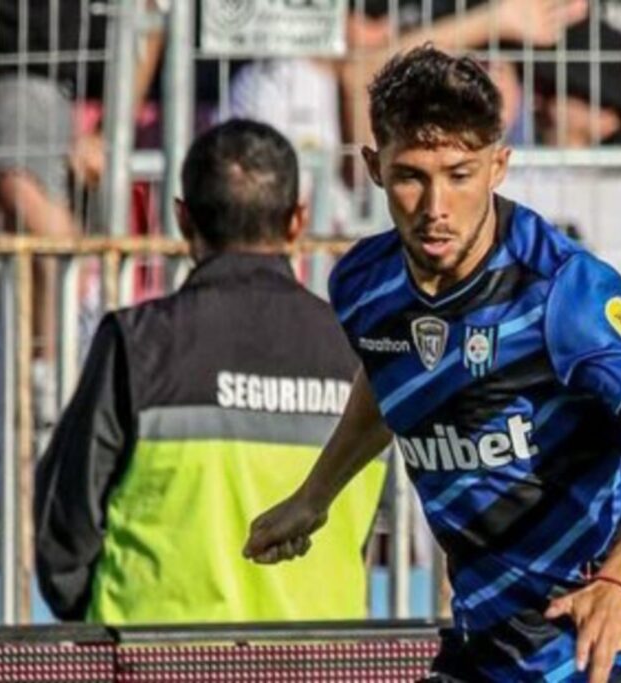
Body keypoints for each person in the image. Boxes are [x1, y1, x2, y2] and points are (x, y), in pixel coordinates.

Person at [244, 46, 621, 682]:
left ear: (499, 165)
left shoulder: (562, 290)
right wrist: (315, 495)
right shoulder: (364, 285)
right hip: (498, 651)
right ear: (373, 168)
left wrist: (619, 583)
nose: (435, 206)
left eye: (460, 173)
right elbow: (392, 378)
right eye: (412, 175)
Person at [33, 119, 386, 623]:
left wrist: (95, 619)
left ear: (182, 220)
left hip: (153, 661)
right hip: (322, 659)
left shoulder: (138, 342)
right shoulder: (358, 349)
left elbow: (64, 521)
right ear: (297, 221)